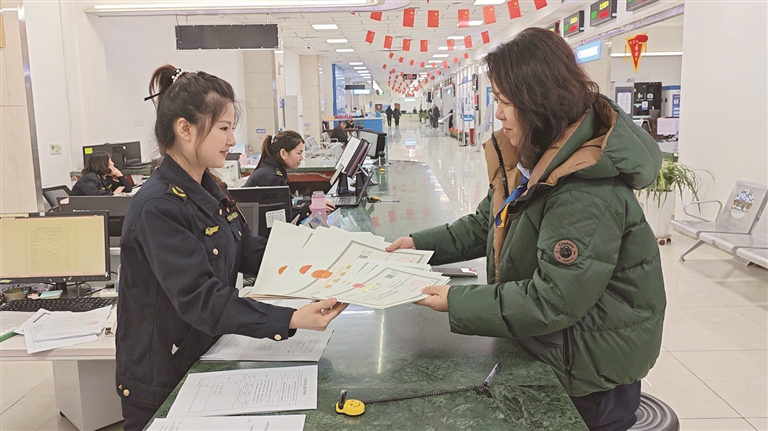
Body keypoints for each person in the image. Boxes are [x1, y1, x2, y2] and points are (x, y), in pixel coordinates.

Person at [386, 28, 665, 431]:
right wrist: (416, 244)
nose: (498, 113)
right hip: (550, 349)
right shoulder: (535, 161)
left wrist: (456, 301)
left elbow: (553, 300)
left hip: (586, 376)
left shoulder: (583, 191)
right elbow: (485, 223)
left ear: (537, 100)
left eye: (504, 101)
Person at [116, 65, 348, 431]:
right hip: (163, 377)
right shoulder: (158, 206)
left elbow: (248, 250)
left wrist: (322, 258)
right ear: (185, 129)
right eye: (223, 128)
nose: (232, 139)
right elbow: (202, 300)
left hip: (205, 354)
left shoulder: (210, 189)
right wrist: (289, 319)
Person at [245, 130, 335, 217]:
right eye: (299, 153)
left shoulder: (270, 170)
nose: (302, 158)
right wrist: (308, 209)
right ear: (283, 153)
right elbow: (281, 217)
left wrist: (310, 205)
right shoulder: (273, 178)